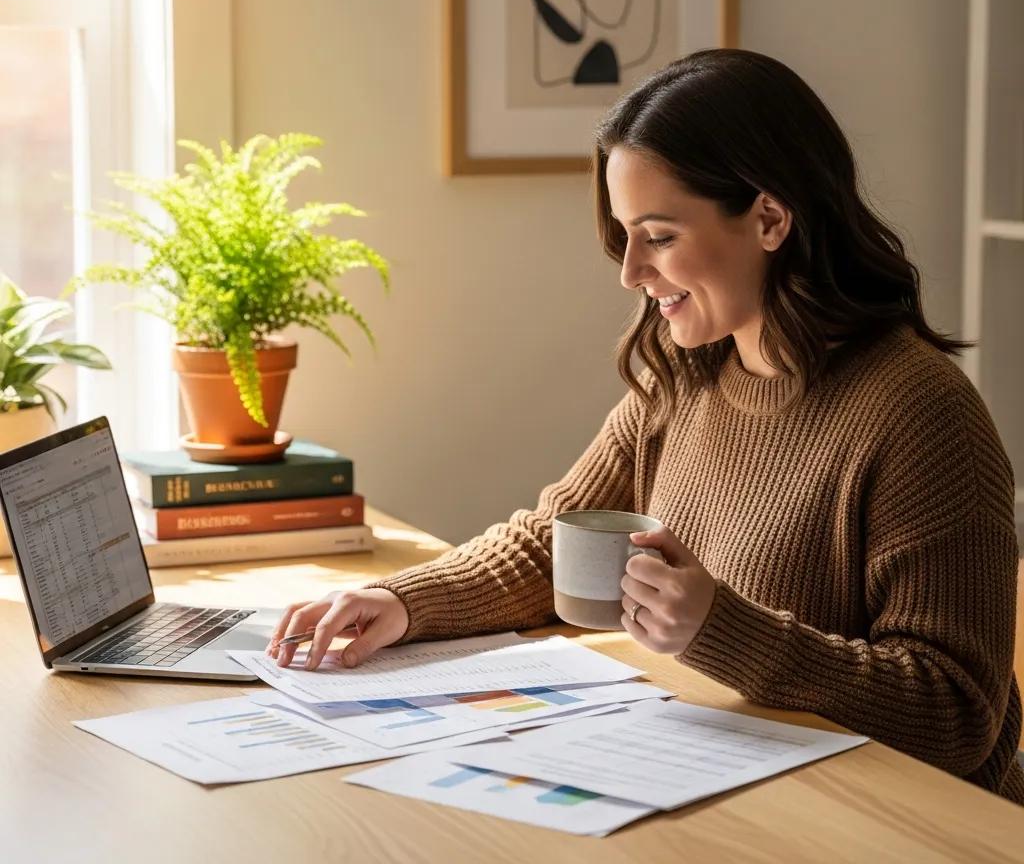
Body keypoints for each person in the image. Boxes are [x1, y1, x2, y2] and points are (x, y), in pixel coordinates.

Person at [268, 49, 1024, 804]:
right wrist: (405, 603)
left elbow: (957, 714)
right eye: (626, 235)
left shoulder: (921, 414)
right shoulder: (685, 374)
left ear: (769, 219)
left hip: (898, 824)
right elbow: (557, 544)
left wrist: (719, 628)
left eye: (658, 236)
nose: (630, 271)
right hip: (735, 787)